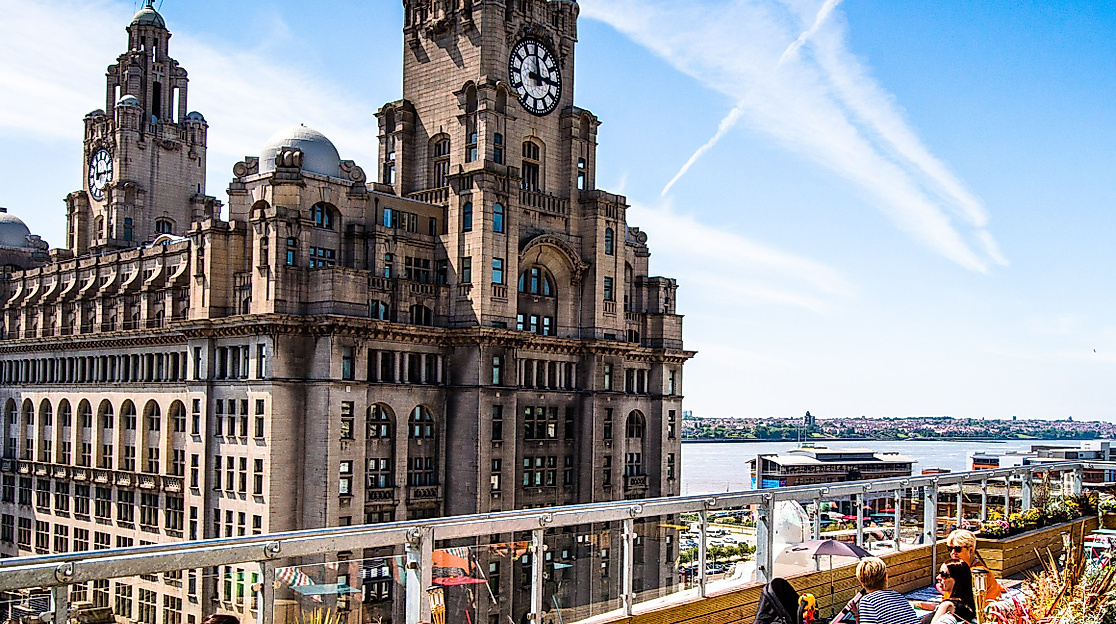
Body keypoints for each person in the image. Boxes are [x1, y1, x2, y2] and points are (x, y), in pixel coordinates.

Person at [853, 557, 920, 624]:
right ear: (886, 577)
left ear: (861, 583)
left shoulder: (868, 601)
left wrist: (856, 616)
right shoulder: (897, 595)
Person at [946, 529, 1002, 602]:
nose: (953, 553)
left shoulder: (980, 574)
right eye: (950, 549)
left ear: (971, 550)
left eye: (958, 549)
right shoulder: (956, 569)